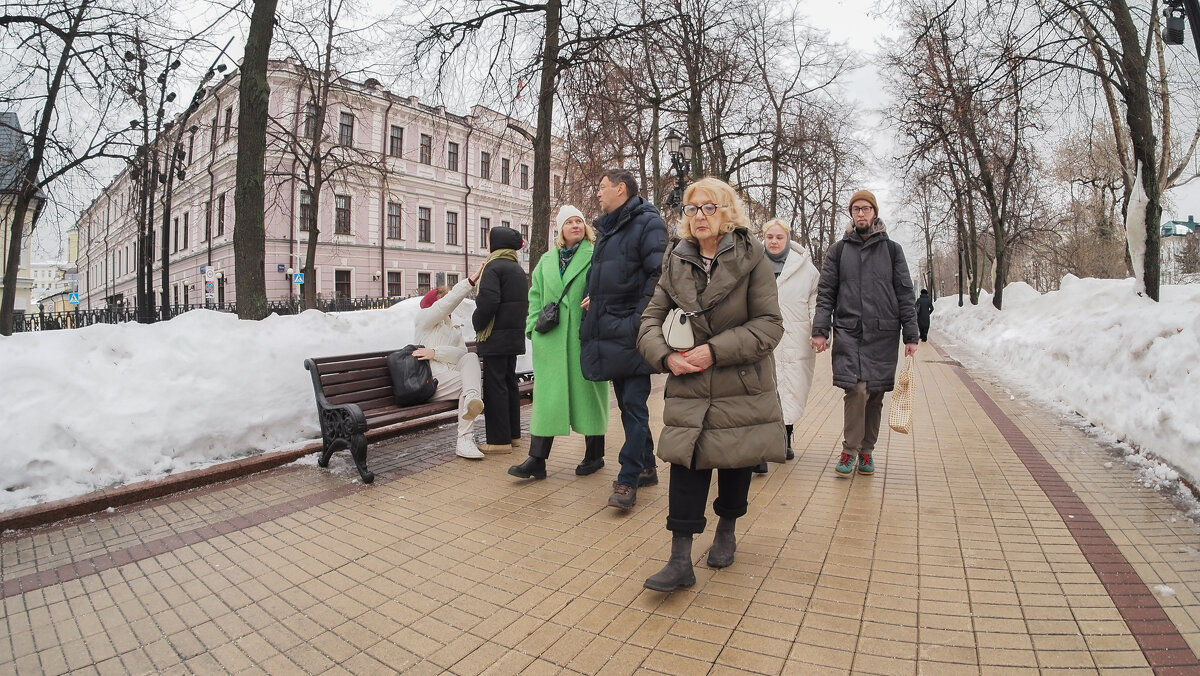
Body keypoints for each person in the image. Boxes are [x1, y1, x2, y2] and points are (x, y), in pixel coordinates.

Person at [636, 177, 785, 593]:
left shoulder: (752, 256)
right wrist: (666, 356)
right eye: (691, 208)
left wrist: (714, 351)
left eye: (708, 207)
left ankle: (727, 529)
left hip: (740, 379)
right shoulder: (676, 258)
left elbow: (769, 326)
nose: (698, 216)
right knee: (686, 462)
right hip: (688, 380)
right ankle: (679, 558)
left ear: (727, 211)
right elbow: (651, 318)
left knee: (735, 461)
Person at [810, 190, 919, 478]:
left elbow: (905, 293)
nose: (861, 213)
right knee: (856, 390)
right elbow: (826, 294)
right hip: (849, 331)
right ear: (851, 213)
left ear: (874, 212)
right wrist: (821, 330)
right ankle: (849, 449)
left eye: (866, 208)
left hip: (883, 334)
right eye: (856, 209)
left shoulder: (893, 250)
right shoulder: (838, 251)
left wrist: (911, 334)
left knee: (875, 394)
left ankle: (867, 450)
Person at [579, 169, 668, 510]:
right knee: (631, 406)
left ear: (620, 189)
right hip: (611, 330)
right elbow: (603, 273)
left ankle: (628, 479)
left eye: (601, 187)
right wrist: (593, 296)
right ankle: (646, 466)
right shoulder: (608, 227)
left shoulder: (648, 223)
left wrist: (638, 318)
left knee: (633, 405)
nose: (598, 194)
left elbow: (658, 274)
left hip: (631, 330)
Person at [509, 206, 610, 479]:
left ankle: (594, 455)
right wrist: (532, 328)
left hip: (584, 337)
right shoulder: (546, 260)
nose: (575, 226)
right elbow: (535, 296)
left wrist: (601, 301)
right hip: (551, 342)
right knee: (547, 402)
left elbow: (612, 287)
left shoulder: (596, 255)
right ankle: (537, 460)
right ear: (561, 229)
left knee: (590, 396)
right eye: (570, 222)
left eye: (579, 221)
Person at [753, 218, 820, 474]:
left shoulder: (806, 269)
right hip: (760, 335)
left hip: (795, 337)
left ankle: (785, 438)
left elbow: (816, 300)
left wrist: (818, 329)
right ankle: (759, 448)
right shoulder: (753, 263)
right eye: (770, 237)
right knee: (761, 389)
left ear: (788, 239)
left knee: (790, 389)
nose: (774, 241)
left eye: (779, 237)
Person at [413, 278, 488, 459]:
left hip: (451, 379)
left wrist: (435, 352)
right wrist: (469, 282)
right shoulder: (425, 320)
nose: (449, 306)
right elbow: (445, 305)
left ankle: (471, 397)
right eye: (443, 300)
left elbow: (461, 354)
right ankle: (464, 439)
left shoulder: (454, 327)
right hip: (431, 382)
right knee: (470, 384)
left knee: (470, 357)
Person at [472, 226, 530, 454]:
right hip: (513, 335)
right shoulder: (516, 268)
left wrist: (477, 322)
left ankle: (498, 441)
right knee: (508, 383)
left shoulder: (493, 267)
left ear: (495, 243)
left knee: (495, 386)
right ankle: (513, 435)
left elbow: (488, 301)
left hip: (495, 336)